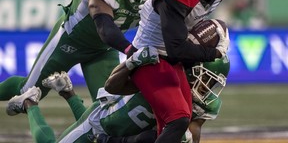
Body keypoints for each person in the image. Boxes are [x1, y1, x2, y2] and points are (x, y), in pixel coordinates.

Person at [1, 0, 165, 115]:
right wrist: (131, 51)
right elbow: (105, 29)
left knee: (109, 109)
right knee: (28, 93)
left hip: (103, 49)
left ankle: (78, 115)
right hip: (70, 42)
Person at [110, 0, 244, 143]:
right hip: (150, 56)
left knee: (181, 122)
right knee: (178, 119)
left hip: (169, 58)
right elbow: (177, 49)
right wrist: (214, 53)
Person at [6, 46, 230, 143]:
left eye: (213, 84)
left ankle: (68, 93)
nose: (206, 89)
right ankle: (29, 102)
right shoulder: (163, 77)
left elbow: (189, 133)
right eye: (206, 80)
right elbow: (112, 86)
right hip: (101, 122)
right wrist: (131, 64)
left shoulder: (205, 104)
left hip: (121, 132)